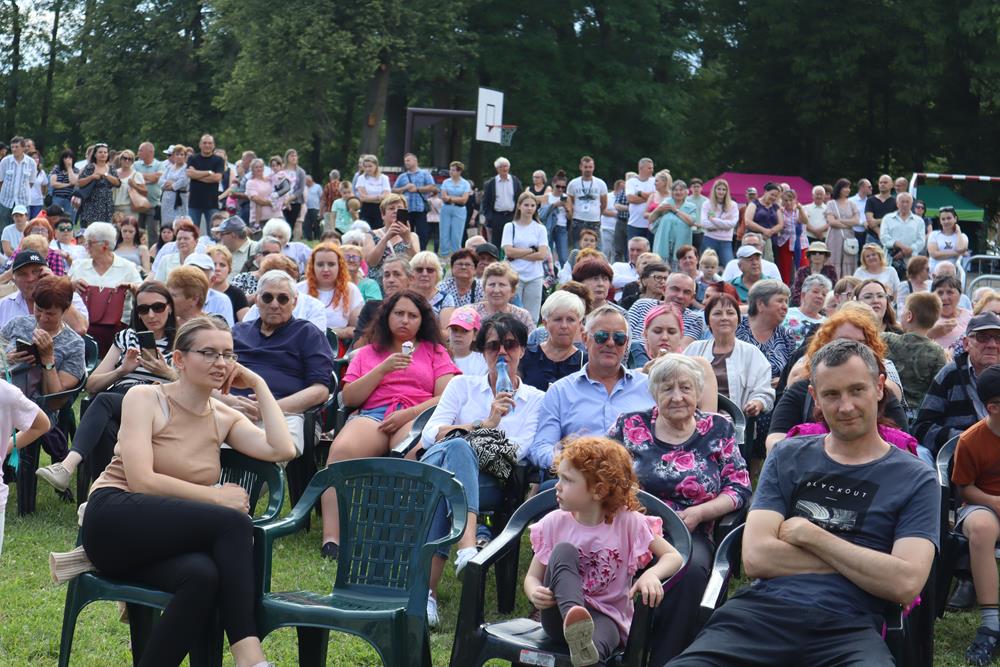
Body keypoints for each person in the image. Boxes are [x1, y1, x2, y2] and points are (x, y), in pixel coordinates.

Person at [669, 339, 938, 667]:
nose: (846, 406)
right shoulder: (788, 455)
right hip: (760, 615)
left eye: (857, 390)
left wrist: (809, 535)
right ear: (815, 397)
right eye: (831, 394)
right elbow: (756, 557)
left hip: (849, 627)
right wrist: (867, 564)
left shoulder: (916, 477)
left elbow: (905, 583)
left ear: (880, 388)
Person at [79, 316, 296, 667]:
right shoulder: (145, 397)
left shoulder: (223, 416)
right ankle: (249, 656)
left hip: (163, 538)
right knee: (233, 523)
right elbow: (142, 480)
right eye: (208, 353)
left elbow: (282, 449)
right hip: (114, 519)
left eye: (228, 354)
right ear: (179, 359)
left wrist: (257, 383)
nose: (221, 363)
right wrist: (217, 497)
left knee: (202, 576)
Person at [609, 354, 751, 663]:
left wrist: (701, 513)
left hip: (689, 531)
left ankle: (669, 658)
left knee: (690, 572)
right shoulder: (630, 424)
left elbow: (739, 487)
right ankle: (612, 648)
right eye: (667, 388)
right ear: (654, 393)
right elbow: (604, 474)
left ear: (698, 392)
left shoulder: (718, 428)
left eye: (685, 388)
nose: (677, 396)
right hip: (630, 526)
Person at [420, 314, 547, 624]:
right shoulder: (462, 385)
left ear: (522, 350)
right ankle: (468, 547)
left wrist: (463, 438)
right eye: (492, 346)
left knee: (448, 479)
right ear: (482, 352)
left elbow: (519, 450)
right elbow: (429, 433)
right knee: (456, 450)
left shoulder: (535, 399)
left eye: (510, 345)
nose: (501, 352)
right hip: (443, 464)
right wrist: (484, 424)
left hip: (491, 481)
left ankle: (426, 595)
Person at [319, 290, 459, 559]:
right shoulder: (367, 352)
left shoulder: (435, 351)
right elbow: (349, 397)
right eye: (399, 313)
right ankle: (332, 539)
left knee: (412, 453)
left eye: (412, 315)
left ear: (422, 320)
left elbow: (446, 396)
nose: (405, 320)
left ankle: (402, 536)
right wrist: (383, 368)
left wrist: (408, 415)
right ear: (387, 316)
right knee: (340, 453)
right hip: (374, 415)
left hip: (416, 415)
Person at [525, 436, 682, 667]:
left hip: (607, 619)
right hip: (558, 615)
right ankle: (575, 619)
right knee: (563, 551)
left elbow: (673, 556)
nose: (557, 485)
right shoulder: (554, 523)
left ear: (598, 490)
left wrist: (651, 574)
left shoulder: (628, 523)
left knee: (590, 654)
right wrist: (535, 593)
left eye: (567, 480)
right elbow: (532, 577)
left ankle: (582, 643)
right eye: (559, 477)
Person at [35, 281, 180, 494]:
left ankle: (68, 466)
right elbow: (92, 384)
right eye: (143, 309)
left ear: (170, 307)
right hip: (119, 400)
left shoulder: (181, 343)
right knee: (106, 427)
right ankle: (102, 495)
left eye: (157, 307)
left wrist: (166, 372)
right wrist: (121, 370)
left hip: (156, 402)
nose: (151, 315)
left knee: (103, 400)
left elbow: (191, 388)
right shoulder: (126, 337)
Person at [526, 305, 653, 471]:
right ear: (585, 339)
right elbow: (541, 447)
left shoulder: (649, 387)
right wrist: (571, 460)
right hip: (580, 478)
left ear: (627, 343)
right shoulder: (560, 391)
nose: (610, 343)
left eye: (619, 338)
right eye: (601, 337)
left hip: (637, 478)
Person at [767, 305, 910, 452]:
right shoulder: (802, 388)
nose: (852, 349)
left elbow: (904, 444)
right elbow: (775, 440)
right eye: (831, 394)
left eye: (857, 390)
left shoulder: (881, 391)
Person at [226, 269, 333, 458]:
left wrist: (269, 408)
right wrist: (230, 403)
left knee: (263, 457)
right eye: (267, 297)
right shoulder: (237, 332)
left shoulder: (308, 333)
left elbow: (320, 390)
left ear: (294, 302)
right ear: (257, 300)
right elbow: (211, 377)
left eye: (282, 298)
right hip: (232, 409)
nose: (274, 304)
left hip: (286, 413)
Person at [950, 365, 1000, 664]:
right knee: (982, 528)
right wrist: (994, 501)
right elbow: (964, 488)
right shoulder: (971, 440)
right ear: (993, 408)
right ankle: (991, 626)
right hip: (980, 505)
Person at [913, 312, 1000, 465]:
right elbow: (922, 427)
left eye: (998, 338)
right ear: (966, 344)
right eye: (983, 337)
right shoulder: (950, 375)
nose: (992, 344)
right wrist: (965, 440)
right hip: (963, 460)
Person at [2, 274, 86, 411]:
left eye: (50, 314)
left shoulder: (74, 344)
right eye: (39, 310)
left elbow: (54, 401)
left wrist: (48, 359)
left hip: (36, 411)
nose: (42, 318)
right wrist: (5, 360)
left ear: (65, 310)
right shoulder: (18, 324)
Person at [686, 293, 774, 420]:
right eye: (717, 313)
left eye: (730, 313)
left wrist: (756, 403)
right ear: (708, 321)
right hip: (693, 419)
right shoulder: (694, 348)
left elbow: (764, 391)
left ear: (738, 320)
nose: (724, 318)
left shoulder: (751, 353)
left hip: (734, 422)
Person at [70, 222, 143, 353]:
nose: (86, 246)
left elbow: (143, 293)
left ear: (105, 245)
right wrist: (71, 286)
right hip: (82, 329)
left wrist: (132, 288)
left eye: (90, 243)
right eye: (86, 242)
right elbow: (60, 291)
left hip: (116, 330)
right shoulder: (78, 265)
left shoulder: (127, 267)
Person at [0, 378, 49, 554]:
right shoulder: (7, 393)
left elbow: (41, 425)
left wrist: (4, 448)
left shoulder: (7, 394)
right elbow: (41, 425)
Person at [883, 291, 947, 422]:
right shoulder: (937, 352)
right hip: (919, 415)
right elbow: (939, 386)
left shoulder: (888, 339)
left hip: (889, 410)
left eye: (903, 311)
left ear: (909, 316)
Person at [520, 291, 588, 391]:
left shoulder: (586, 363)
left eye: (570, 320)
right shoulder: (525, 356)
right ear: (545, 323)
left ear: (579, 324)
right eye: (558, 319)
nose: (564, 326)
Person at [502, 191, 549, 321]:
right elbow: (508, 252)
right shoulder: (510, 227)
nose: (529, 208)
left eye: (532, 205)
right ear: (519, 206)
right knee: (513, 314)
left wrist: (518, 253)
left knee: (532, 316)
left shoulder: (540, 228)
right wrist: (531, 250)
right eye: (526, 205)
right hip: (514, 275)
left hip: (534, 276)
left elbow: (542, 254)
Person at [298, 242, 362, 338]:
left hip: (338, 344)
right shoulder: (299, 289)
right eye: (320, 264)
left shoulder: (351, 290)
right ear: (312, 266)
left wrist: (331, 333)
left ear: (339, 266)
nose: (325, 269)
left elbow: (357, 329)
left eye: (331, 264)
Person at [365, 193, 420, 288]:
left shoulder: (412, 236)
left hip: (403, 288)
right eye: (391, 208)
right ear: (383, 215)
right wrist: (386, 238)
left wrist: (407, 239)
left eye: (399, 208)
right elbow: (371, 262)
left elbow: (416, 263)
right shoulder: (371, 235)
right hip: (377, 288)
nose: (395, 211)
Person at [473, 261, 535, 330]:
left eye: (502, 285)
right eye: (492, 284)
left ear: (512, 290)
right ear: (484, 288)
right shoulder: (472, 313)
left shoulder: (523, 317)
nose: (496, 290)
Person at [391, 153, 435, 248]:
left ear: (415, 161)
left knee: (422, 233)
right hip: (406, 209)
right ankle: (406, 250)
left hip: (420, 209)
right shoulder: (402, 176)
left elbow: (432, 187)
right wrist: (405, 188)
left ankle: (421, 251)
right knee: (404, 231)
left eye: (408, 160)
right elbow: (394, 190)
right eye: (405, 161)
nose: (406, 163)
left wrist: (417, 189)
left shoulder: (425, 174)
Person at [185, 134, 225, 234]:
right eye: (204, 143)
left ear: (214, 145)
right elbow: (190, 174)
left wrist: (197, 175)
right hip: (194, 202)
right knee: (192, 232)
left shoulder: (219, 160)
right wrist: (208, 172)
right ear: (200, 145)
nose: (207, 145)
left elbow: (217, 178)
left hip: (212, 202)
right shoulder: (192, 159)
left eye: (210, 143)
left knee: (214, 233)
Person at [823, 178, 861, 278]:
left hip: (849, 237)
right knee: (834, 260)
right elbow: (832, 222)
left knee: (849, 260)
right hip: (835, 237)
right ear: (839, 189)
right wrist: (848, 224)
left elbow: (856, 221)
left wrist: (839, 220)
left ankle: (847, 284)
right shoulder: (831, 203)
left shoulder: (852, 204)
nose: (848, 190)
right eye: (845, 187)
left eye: (849, 187)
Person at [480, 157, 522, 244]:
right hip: (496, 217)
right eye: (501, 167)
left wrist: (519, 215)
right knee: (496, 242)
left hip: (512, 216)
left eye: (506, 166)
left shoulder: (515, 181)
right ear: (497, 169)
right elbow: (485, 202)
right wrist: (490, 217)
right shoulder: (490, 183)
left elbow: (520, 198)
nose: (504, 169)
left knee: (512, 241)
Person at [880, 192, 925, 273]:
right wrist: (897, 244)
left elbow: (921, 241)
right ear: (897, 204)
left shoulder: (919, 221)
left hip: (911, 261)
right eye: (902, 201)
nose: (905, 204)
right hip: (890, 260)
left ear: (911, 204)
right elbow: (884, 237)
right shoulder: (887, 218)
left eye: (907, 202)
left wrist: (907, 251)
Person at [0, 137, 38, 229]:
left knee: (23, 228)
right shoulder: (5, 161)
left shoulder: (31, 163)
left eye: (17, 147)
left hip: (23, 201)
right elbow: (1, 180)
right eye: (12, 147)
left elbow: (31, 182)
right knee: (3, 228)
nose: (14, 149)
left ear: (23, 148)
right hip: (6, 201)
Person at [782, 273, 830, 345]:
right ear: (803, 295)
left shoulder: (827, 323)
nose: (820, 296)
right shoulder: (786, 313)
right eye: (815, 292)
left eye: (824, 294)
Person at [928, 274, 972, 352]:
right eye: (940, 293)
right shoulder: (924, 317)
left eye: (950, 292)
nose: (944, 298)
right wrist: (931, 333)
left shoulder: (971, 317)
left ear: (960, 295)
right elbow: (912, 344)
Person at [773, 189, 809, 283]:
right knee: (785, 270)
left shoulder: (801, 209)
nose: (788, 203)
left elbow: (805, 221)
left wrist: (800, 209)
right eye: (786, 200)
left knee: (803, 268)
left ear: (795, 200)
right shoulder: (780, 211)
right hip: (785, 241)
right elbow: (779, 227)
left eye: (791, 200)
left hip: (800, 242)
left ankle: (803, 286)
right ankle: (785, 288)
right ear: (782, 201)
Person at [700, 179, 738, 266]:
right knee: (707, 265)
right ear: (714, 190)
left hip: (726, 241)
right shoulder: (707, 204)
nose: (721, 192)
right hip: (709, 239)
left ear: (727, 191)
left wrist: (713, 220)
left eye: (724, 189)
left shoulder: (733, 205)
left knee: (729, 265)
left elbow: (732, 224)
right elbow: (704, 223)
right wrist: (725, 225)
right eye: (719, 189)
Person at [207, 244, 250, 321]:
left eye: (222, 265)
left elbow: (246, 324)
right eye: (213, 264)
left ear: (229, 269)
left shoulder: (237, 294)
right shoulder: (200, 293)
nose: (217, 269)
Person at [439, 161, 472, 257]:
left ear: (459, 171)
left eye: (453, 170)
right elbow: (443, 197)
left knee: (457, 234)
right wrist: (457, 198)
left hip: (459, 210)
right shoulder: (446, 182)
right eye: (450, 170)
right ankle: (444, 255)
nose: (451, 172)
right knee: (444, 233)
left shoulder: (465, 183)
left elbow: (464, 200)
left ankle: (456, 255)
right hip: (446, 208)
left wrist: (450, 198)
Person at [790, 241, 837, 306]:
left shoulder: (831, 270)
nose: (817, 255)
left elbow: (833, 291)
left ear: (825, 257)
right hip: (803, 305)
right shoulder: (802, 271)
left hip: (825, 305)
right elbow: (796, 291)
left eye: (820, 253)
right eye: (814, 253)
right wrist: (804, 305)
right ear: (809, 256)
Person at [446, 306, 488, 376]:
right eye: (454, 330)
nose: (458, 335)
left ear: (475, 335)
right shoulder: (440, 357)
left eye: (465, 331)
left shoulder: (483, 360)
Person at [928, 205, 969, 273]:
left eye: (949, 218)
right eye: (943, 219)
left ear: (955, 219)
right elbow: (934, 254)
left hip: (952, 274)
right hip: (934, 273)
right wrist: (958, 253)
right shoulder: (933, 234)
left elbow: (960, 249)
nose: (946, 221)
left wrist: (958, 231)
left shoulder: (963, 236)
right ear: (940, 221)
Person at [111, 149, 150, 218]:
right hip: (113, 207)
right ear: (120, 159)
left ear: (132, 162)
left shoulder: (136, 175)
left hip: (129, 208)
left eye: (130, 159)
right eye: (125, 158)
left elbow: (145, 192)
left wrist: (135, 186)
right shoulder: (113, 173)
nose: (127, 160)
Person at [625, 158, 656, 243]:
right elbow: (630, 198)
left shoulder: (654, 181)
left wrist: (639, 193)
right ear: (641, 168)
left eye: (652, 168)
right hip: (634, 224)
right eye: (649, 168)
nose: (652, 170)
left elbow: (656, 196)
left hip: (651, 224)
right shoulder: (631, 182)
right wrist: (649, 197)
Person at [355, 154, 391, 227]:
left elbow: (386, 195)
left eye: (370, 166)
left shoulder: (384, 178)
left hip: (381, 208)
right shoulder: (361, 178)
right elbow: (363, 197)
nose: (368, 169)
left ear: (376, 166)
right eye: (366, 167)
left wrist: (370, 197)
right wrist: (378, 197)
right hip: (366, 209)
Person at [159, 144, 190, 229]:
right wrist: (168, 184)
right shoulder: (169, 168)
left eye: (181, 154)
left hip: (179, 199)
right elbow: (160, 180)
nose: (179, 156)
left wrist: (172, 185)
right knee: (166, 223)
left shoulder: (186, 168)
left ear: (185, 156)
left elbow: (183, 181)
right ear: (173, 156)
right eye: (177, 154)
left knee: (179, 222)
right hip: (166, 199)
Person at [49, 149, 79, 224]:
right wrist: (68, 184)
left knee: (68, 219)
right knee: (56, 219)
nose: (68, 159)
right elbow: (53, 183)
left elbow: (73, 181)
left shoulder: (76, 170)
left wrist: (69, 168)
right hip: (57, 198)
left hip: (69, 199)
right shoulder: (57, 169)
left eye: (70, 157)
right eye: (66, 157)